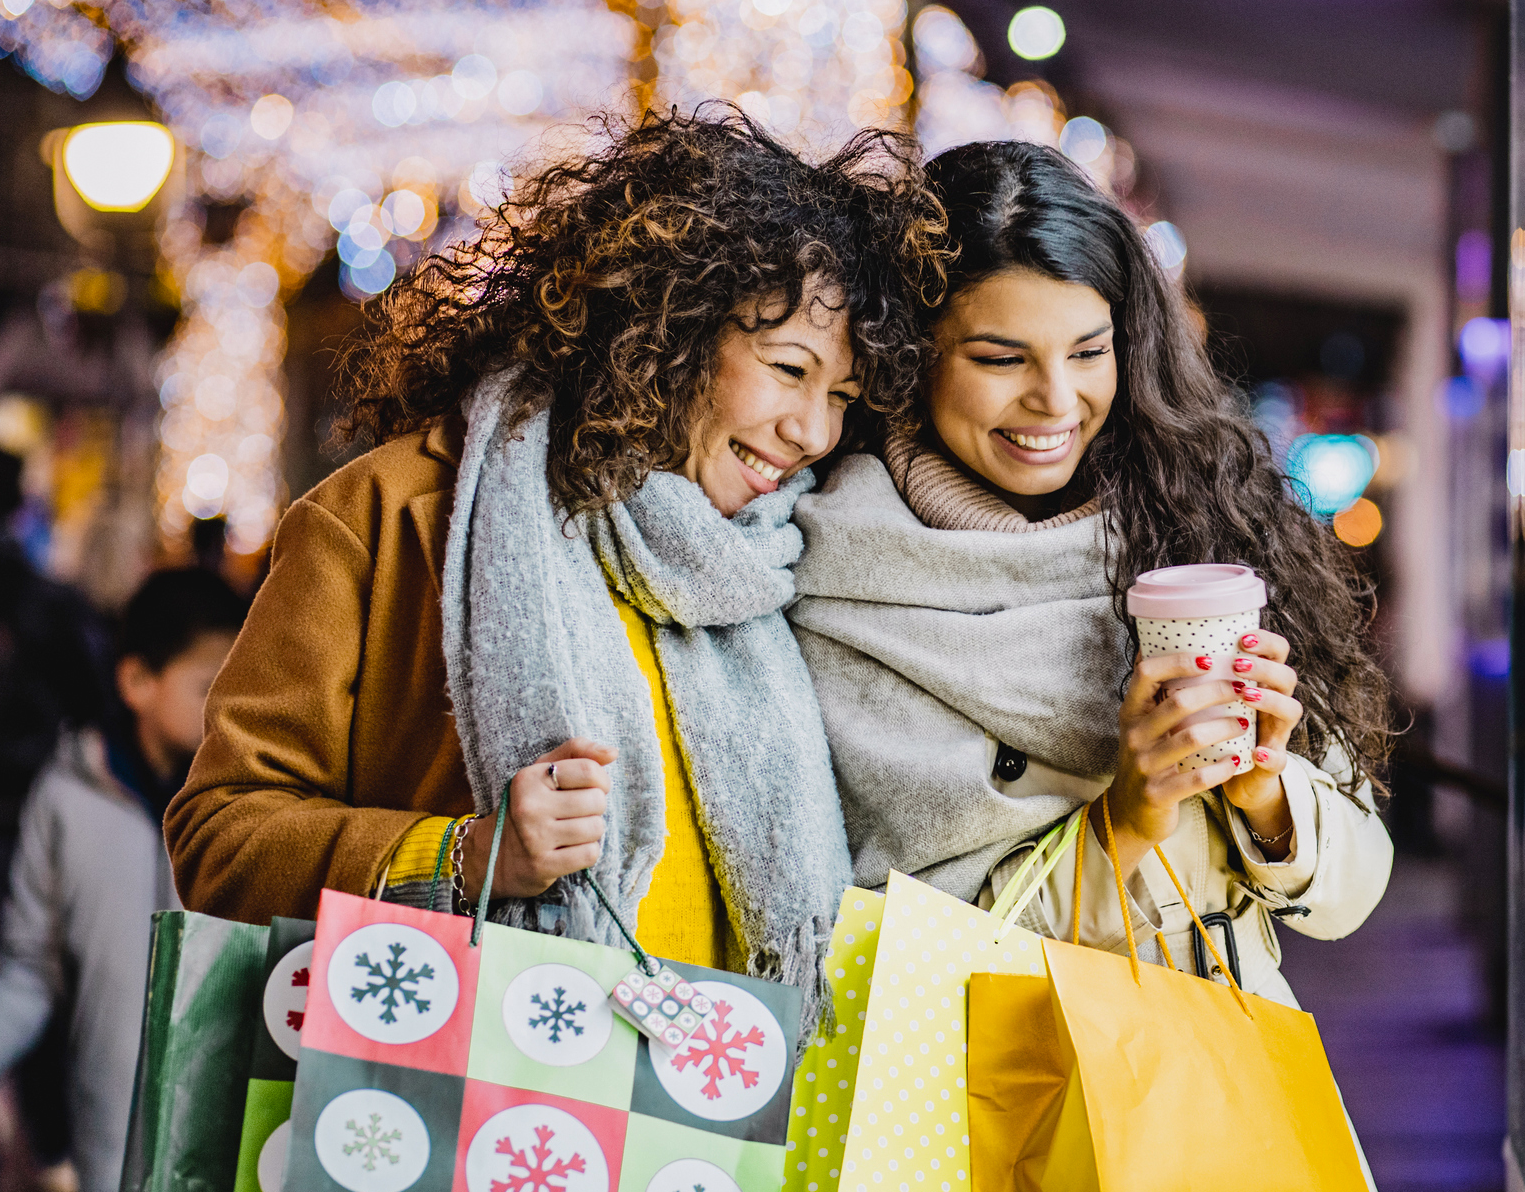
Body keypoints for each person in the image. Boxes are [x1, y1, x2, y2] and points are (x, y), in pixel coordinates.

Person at [164, 110, 945, 1003]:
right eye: (789, 369)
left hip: (717, 1119)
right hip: (472, 1098)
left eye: (843, 395)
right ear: (673, 325)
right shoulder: (394, 515)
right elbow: (219, 837)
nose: (812, 431)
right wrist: (463, 857)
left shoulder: (790, 562)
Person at [790, 141, 1395, 1005]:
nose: (1055, 400)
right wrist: (1123, 825)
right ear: (909, 353)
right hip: (1007, 1107)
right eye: (1000, 359)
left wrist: (1268, 796)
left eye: (1087, 352)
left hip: (1226, 1088)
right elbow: (892, 956)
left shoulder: (1197, 524)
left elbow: (1350, 896)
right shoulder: (836, 576)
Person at [0, 568, 245, 1192]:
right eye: (208, 685)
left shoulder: (252, 809)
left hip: (239, 1156)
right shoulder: (66, 798)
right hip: (112, 1163)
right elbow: (30, 969)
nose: (229, 706)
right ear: (136, 683)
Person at [0, 440, 111, 1192]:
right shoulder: (47, 600)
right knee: (39, 969)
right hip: (30, 816)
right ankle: (48, 1141)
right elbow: (91, 700)